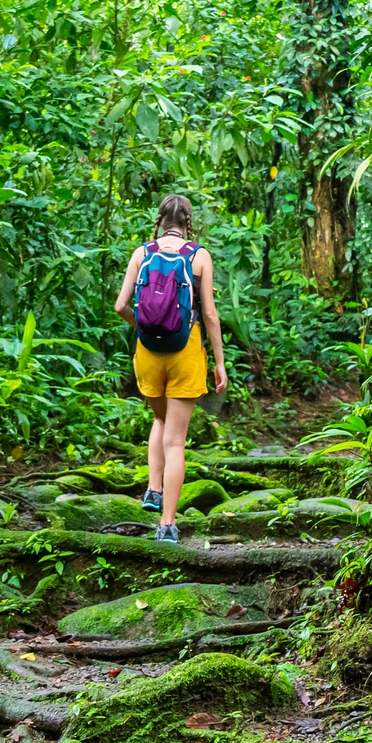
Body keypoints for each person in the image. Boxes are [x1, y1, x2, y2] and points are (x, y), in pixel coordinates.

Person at [114, 194, 227, 544]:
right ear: (188, 221)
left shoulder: (141, 253)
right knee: (176, 442)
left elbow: (121, 305)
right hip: (186, 351)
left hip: (147, 352)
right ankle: (166, 525)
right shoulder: (199, 256)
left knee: (160, 420)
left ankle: (153, 488)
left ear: (160, 220)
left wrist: (144, 327)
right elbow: (208, 313)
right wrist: (219, 362)